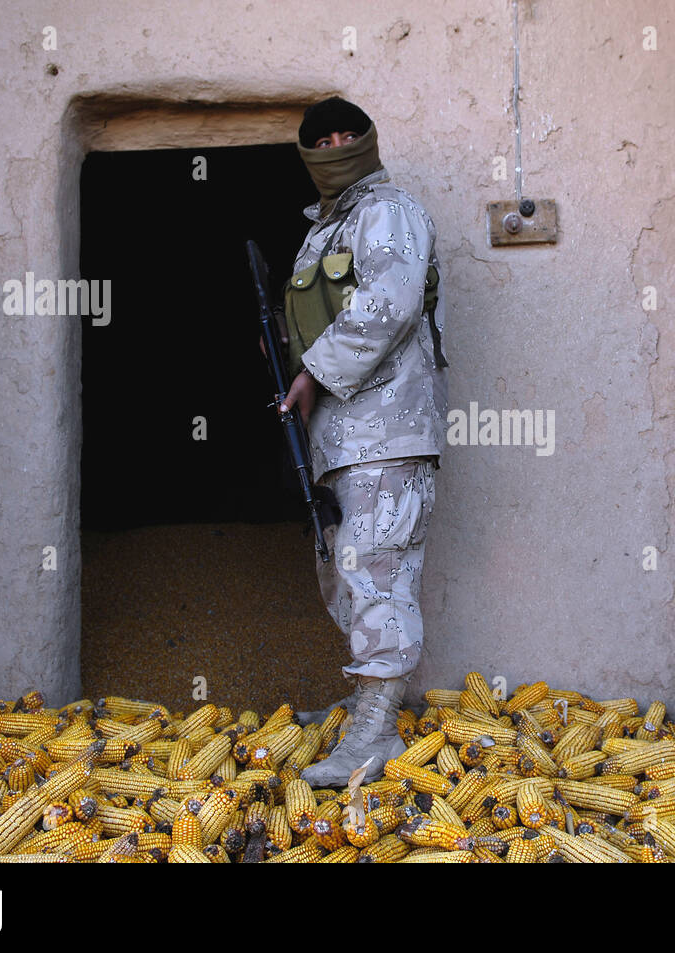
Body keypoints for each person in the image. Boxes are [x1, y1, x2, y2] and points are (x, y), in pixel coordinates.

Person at [276, 97, 448, 787]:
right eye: (324, 139)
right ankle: (369, 702)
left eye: (350, 134)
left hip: (388, 427)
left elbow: (392, 300)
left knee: (378, 570)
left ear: (370, 140)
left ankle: (375, 731)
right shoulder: (320, 233)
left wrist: (313, 370)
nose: (337, 145)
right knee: (347, 570)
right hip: (342, 438)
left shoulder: (389, 210)